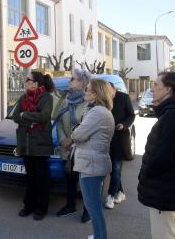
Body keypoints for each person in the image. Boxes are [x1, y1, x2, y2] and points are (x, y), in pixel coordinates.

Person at [62, 79, 115, 239]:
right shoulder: (98, 110)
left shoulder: (97, 112)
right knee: (93, 206)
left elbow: (78, 135)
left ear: (96, 94)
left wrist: (75, 132)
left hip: (91, 165)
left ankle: (101, 236)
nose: (85, 92)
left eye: (88, 90)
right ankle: (99, 234)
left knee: (93, 207)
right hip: (93, 163)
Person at [137, 72, 175, 239]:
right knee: (173, 230)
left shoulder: (173, 116)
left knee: (165, 234)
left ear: (168, 89)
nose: (153, 88)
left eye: (156, 84)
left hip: (164, 190)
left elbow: (163, 157)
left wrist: (147, 174)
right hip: (170, 189)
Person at [12, 71, 54, 221]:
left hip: (40, 143)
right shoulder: (23, 98)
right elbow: (15, 116)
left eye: (28, 80)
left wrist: (25, 115)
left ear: (36, 83)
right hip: (26, 143)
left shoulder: (46, 97)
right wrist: (29, 120)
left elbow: (44, 116)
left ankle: (41, 208)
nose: (25, 82)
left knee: (41, 178)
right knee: (30, 177)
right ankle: (28, 206)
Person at [53, 68, 91, 223]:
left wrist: (72, 139)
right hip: (67, 149)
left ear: (81, 83)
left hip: (82, 148)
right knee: (70, 179)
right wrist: (62, 139)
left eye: (72, 79)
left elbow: (87, 126)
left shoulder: (89, 102)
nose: (69, 81)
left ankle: (88, 211)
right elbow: (59, 122)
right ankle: (70, 205)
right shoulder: (65, 99)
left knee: (86, 182)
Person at [104, 83, 135, 209]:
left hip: (120, 138)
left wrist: (123, 125)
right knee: (112, 169)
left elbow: (131, 115)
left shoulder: (124, 97)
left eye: (109, 91)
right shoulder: (104, 99)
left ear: (114, 89)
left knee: (116, 167)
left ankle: (110, 196)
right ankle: (120, 192)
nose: (107, 94)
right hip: (107, 139)